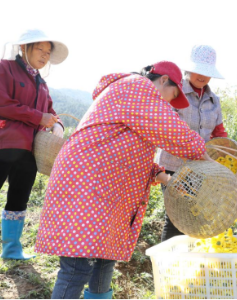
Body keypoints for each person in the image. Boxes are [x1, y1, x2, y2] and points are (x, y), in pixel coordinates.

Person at [34, 61, 213, 299]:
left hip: (105, 187)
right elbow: (173, 132)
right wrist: (205, 156)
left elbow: (130, 151)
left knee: (106, 256)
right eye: (173, 95)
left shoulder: (134, 99)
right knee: (78, 265)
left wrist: (160, 175)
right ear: (162, 80)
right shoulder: (136, 86)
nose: (170, 103)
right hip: (87, 182)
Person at [0, 29, 68, 260]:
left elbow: (50, 111)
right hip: (4, 143)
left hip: (27, 150)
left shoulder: (42, 83)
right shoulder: (4, 68)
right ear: (23, 48)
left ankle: (11, 249)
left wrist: (57, 123)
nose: (44, 55)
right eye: (40, 49)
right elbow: (3, 104)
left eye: (48, 52)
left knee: (19, 197)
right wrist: (38, 117)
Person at [155, 45, 227, 242]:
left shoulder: (214, 100)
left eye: (207, 72)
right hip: (173, 166)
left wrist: (227, 151)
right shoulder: (175, 92)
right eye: (199, 70)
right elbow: (168, 129)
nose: (203, 76)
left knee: (194, 215)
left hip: (200, 168)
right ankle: (168, 263)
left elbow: (219, 132)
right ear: (189, 69)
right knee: (176, 217)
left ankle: (188, 260)